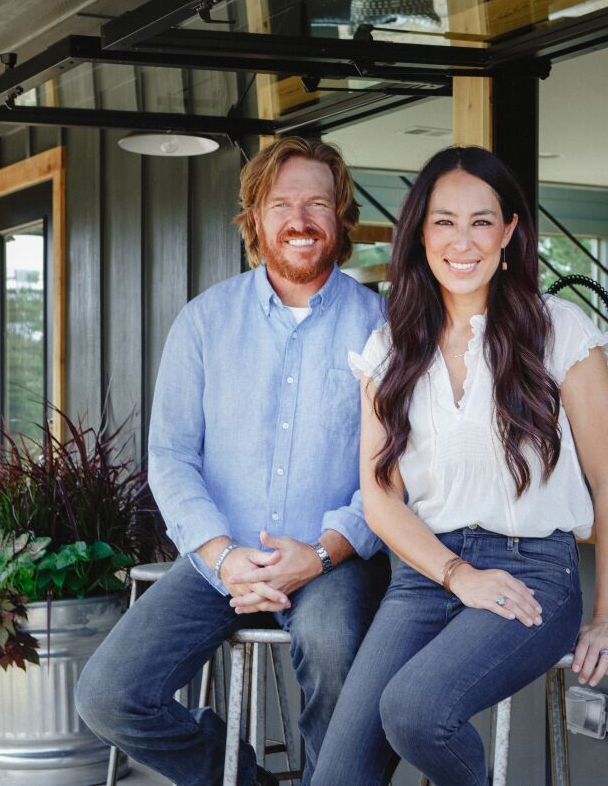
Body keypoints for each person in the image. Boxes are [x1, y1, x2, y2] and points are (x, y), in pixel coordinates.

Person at [312, 146, 608, 785]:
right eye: (444, 221)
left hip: (532, 570)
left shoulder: (559, 331)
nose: (463, 241)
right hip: (426, 575)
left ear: (510, 232)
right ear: (420, 233)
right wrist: (455, 574)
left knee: (415, 710)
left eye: (482, 221)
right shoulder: (391, 347)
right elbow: (380, 500)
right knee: (337, 776)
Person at [76, 137, 391, 786]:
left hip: (333, 561)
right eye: (282, 204)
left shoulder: (383, 326)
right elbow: (169, 456)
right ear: (254, 218)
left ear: (341, 216)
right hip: (221, 561)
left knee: (336, 652)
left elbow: (397, 467)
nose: (300, 220)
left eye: (317, 203)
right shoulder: (203, 323)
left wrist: (326, 550)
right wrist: (221, 554)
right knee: (108, 693)